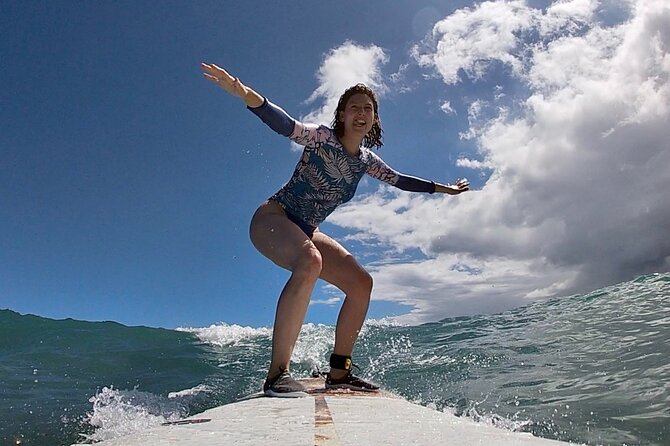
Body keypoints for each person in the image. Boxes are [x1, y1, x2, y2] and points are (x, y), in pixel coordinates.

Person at [201, 62, 469, 398]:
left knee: (361, 283)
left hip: (307, 230)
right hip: (273, 218)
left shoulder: (367, 162)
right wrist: (243, 93)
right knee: (310, 261)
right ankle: (277, 375)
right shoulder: (322, 138)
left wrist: (446, 189)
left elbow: (401, 181)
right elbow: (285, 124)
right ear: (341, 114)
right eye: (353, 107)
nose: (361, 112)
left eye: (367, 108)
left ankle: (339, 372)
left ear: (374, 119)